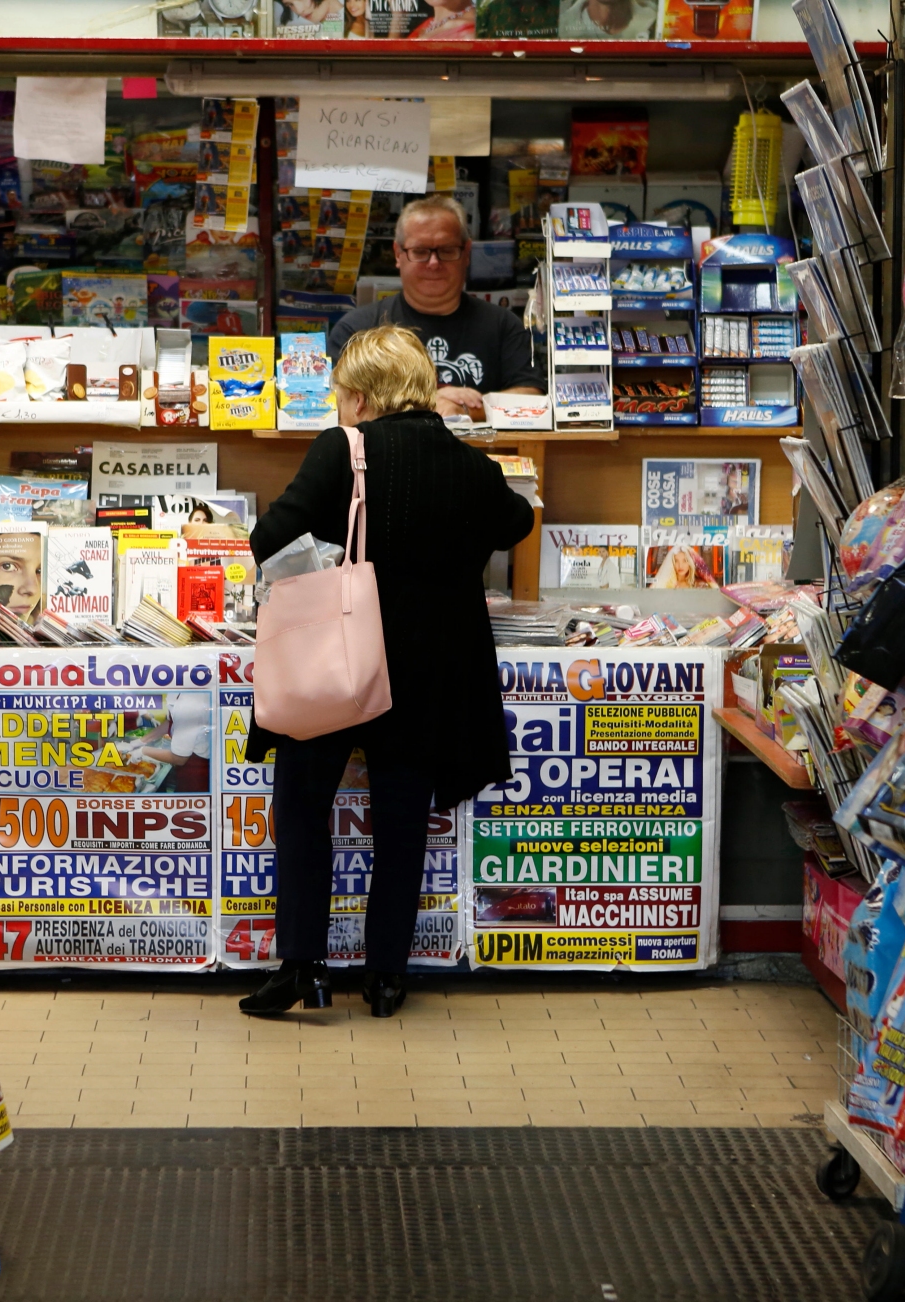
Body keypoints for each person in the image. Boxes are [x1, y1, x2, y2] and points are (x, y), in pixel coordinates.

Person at [240, 325, 536, 1018]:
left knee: (306, 806)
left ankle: (302, 970)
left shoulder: (344, 450)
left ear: (362, 396)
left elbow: (268, 538)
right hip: (430, 673)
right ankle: (385, 978)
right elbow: (516, 523)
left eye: (345, 392)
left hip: (338, 662)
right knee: (400, 822)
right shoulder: (469, 465)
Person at [326, 196, 542, 422]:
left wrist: (467, 410)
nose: (433, 263)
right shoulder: (357, 330)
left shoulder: (503, 325)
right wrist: (430, 403)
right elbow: (334, 405)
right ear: (398, 253)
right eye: (420, 251)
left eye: (447, 250)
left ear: (467, 252)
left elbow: (531, 397)